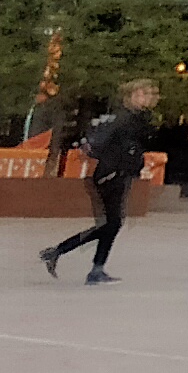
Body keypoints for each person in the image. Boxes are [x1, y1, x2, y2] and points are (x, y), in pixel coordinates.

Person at [37, 80, 156, 284]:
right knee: (112, 224)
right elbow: (100, 141)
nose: (146, 98)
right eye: (141, 94)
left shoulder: (137, 118)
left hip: (119, 173)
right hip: (111, 174)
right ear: (129, 97)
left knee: (112, 224)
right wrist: (110, 159)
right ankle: (61, 252)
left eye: (148, 94)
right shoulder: (122, 118)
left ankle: (93, 268)